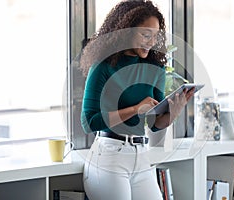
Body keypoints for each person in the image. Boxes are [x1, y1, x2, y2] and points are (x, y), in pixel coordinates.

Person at [80, 1, 194, 199]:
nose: (151, 42)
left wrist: (173, 113)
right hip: (108, 156)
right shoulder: (102, 67)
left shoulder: (155, 68)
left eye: (155, 36)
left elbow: (155, 123)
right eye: (145, 35)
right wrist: (134, 109)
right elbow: (88, 122)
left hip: (141, 155)